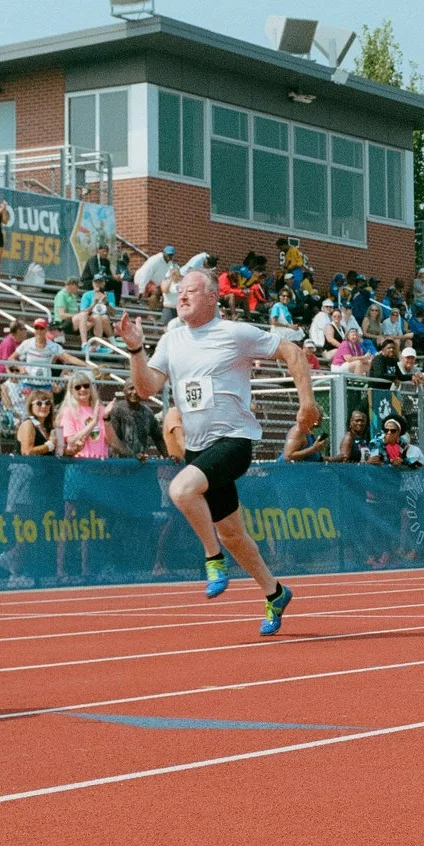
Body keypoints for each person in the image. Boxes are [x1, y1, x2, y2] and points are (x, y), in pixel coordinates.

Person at [119, 266, 317, 635]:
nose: (182, 296)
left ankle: (213, 560)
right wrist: (134, 347)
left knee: (181, 490)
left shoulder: (234, 333)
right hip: (198, 449)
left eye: (191, 290)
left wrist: (306, 402)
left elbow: (292, 351)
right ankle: (275, 592)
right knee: (232, 533)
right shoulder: (172, 339)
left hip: (234, 440)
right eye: (179, 291)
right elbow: (146, 388)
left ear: (212, 297)